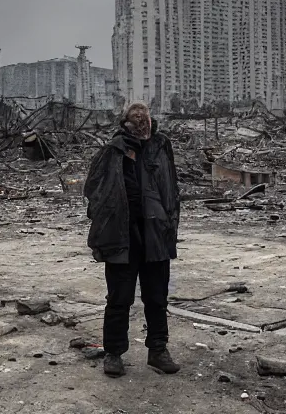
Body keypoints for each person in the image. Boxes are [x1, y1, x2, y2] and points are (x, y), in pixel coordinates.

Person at [84, 102, 181, 377]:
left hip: (156, 235)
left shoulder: (161, 147)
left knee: (157, 298)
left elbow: (172, 188)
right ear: (125, 123)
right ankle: (113, 354)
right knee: (119, 298)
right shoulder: (112, 151)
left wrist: (170, 223)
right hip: (121, 237)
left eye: (145, 118)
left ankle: (158, 350)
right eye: (135, 119)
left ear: (151, 121)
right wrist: (107, 219)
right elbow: (93, 190)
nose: (141, 123)